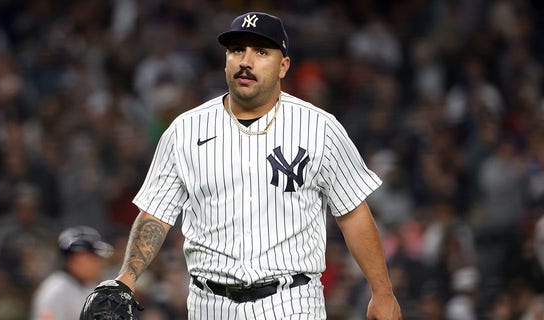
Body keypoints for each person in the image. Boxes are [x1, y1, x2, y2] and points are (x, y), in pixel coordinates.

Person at [82, 11, 402, 319]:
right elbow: (156, 214)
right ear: (226, 61)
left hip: (291, 300)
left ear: (283, 65)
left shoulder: (320, 128)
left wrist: (382, 292)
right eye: (237, 50)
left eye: (261, 51)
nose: (246, 61)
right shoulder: (185, 130)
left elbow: (353, 214)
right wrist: (126, 279)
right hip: (210, 303)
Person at [31, 225, 113, 320]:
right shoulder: (56, 292)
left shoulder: (89, 286)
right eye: (92, 257)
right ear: (73, 260)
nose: (98, 262)